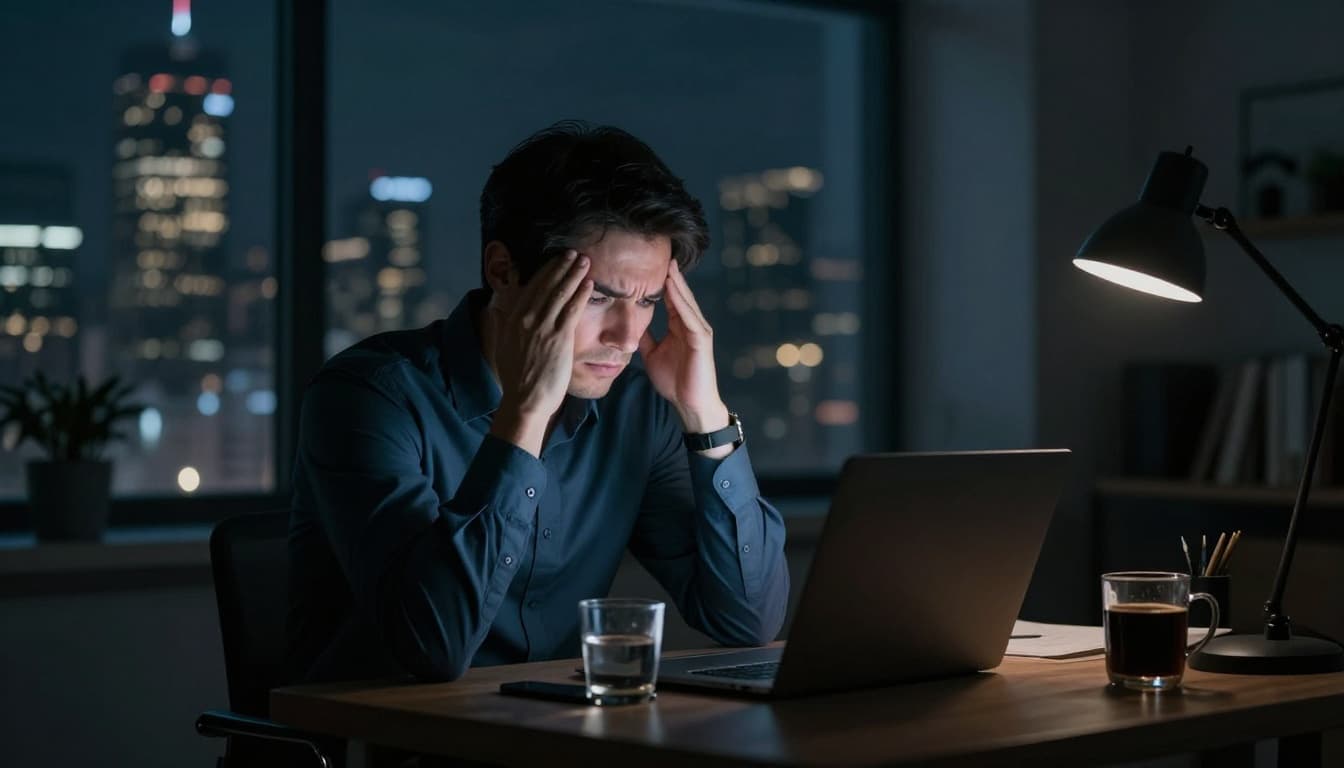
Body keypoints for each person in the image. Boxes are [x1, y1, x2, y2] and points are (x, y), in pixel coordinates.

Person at [287, 121, 789, 683]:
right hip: (381, 750)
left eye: (649, 301)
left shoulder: (636, 410)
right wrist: (524, 413)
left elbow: (748, 621)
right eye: (599, 296)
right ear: (503, 270)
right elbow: (433, 646)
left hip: (551, 743)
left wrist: (707, 418)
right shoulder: (369, 397)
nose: (627, 336)